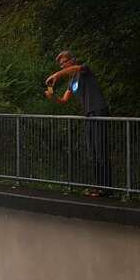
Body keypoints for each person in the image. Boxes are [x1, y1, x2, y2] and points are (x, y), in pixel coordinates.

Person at [45, 50, 111, 196]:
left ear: (72, 60)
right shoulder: (72, 82)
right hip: (88, 115)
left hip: (99, 112)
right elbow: (63, 100)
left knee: (101, 151)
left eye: (65, 62)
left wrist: (56, 75)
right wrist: (52, 96)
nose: (63, 66)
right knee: (93, 152)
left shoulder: (84, 69)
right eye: (61, 64)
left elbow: (75, 69)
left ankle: (107, 189)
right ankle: (98, 187)